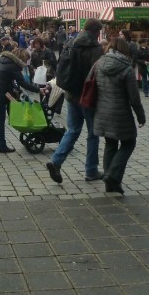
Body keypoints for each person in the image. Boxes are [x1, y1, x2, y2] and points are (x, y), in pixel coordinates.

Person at [46, 18, 105, 184]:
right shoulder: (95, 48)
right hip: (87, 96)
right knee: (93, 133)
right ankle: (91, 170)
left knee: (72, 130)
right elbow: (97, 73)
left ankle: (56, 161)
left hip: (71, 93)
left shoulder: (71, 42)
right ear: (95, 32)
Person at [93, 37, 146, 195]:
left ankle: (110, 183)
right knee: (129, 143)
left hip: (102, 110)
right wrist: (141, 116)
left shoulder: (99, 63)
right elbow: (134, 97)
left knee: (110, 144)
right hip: (120, 112)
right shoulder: (126, 68)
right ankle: (112, 176)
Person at [0, 47, 43, 153]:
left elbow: (5, 79)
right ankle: (1, 145)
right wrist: (38, 90)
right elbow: (23, 83)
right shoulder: (12, 66)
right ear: (21, 58)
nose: (26, 63)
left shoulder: (3, 61)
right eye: (25, 60)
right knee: (0, 120)